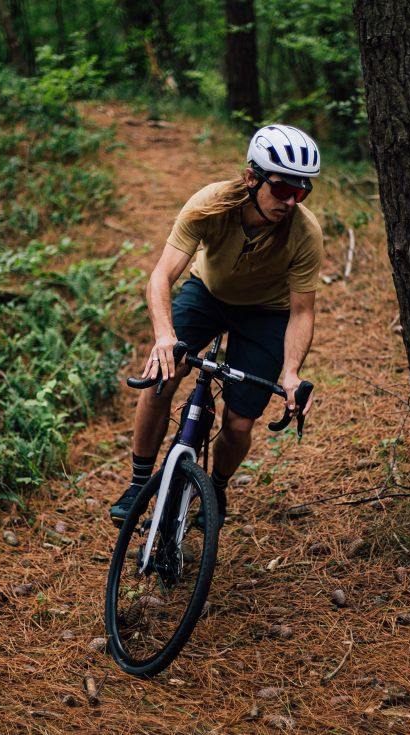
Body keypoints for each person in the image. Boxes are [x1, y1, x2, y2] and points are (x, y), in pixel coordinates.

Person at [109, 124, 324, 528]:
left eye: (302, 192)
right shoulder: (210, 204)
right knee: (161, 376)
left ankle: (217, 486)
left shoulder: (304, 233)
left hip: (266, 312)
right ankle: (138, 483)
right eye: (282, 190)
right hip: (207, 293)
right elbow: (160, 276)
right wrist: (164, 337)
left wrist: (292, 374)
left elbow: (301, 312)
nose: (292, 202)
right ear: (251, 177)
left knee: (241, 421)